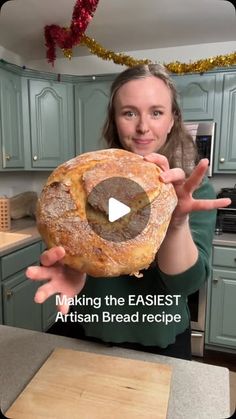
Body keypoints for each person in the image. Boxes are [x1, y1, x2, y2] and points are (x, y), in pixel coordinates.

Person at [26, 64, 230, 360]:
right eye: (129, 112)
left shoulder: (192, 190)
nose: (143, 127)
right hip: (86, 331)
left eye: (156, 112)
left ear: (173, 120)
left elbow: (185, 284)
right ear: (115, 120)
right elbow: (64, 248)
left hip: (159, 341)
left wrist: (177, 222)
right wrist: (74, 270)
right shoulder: (80, 178)